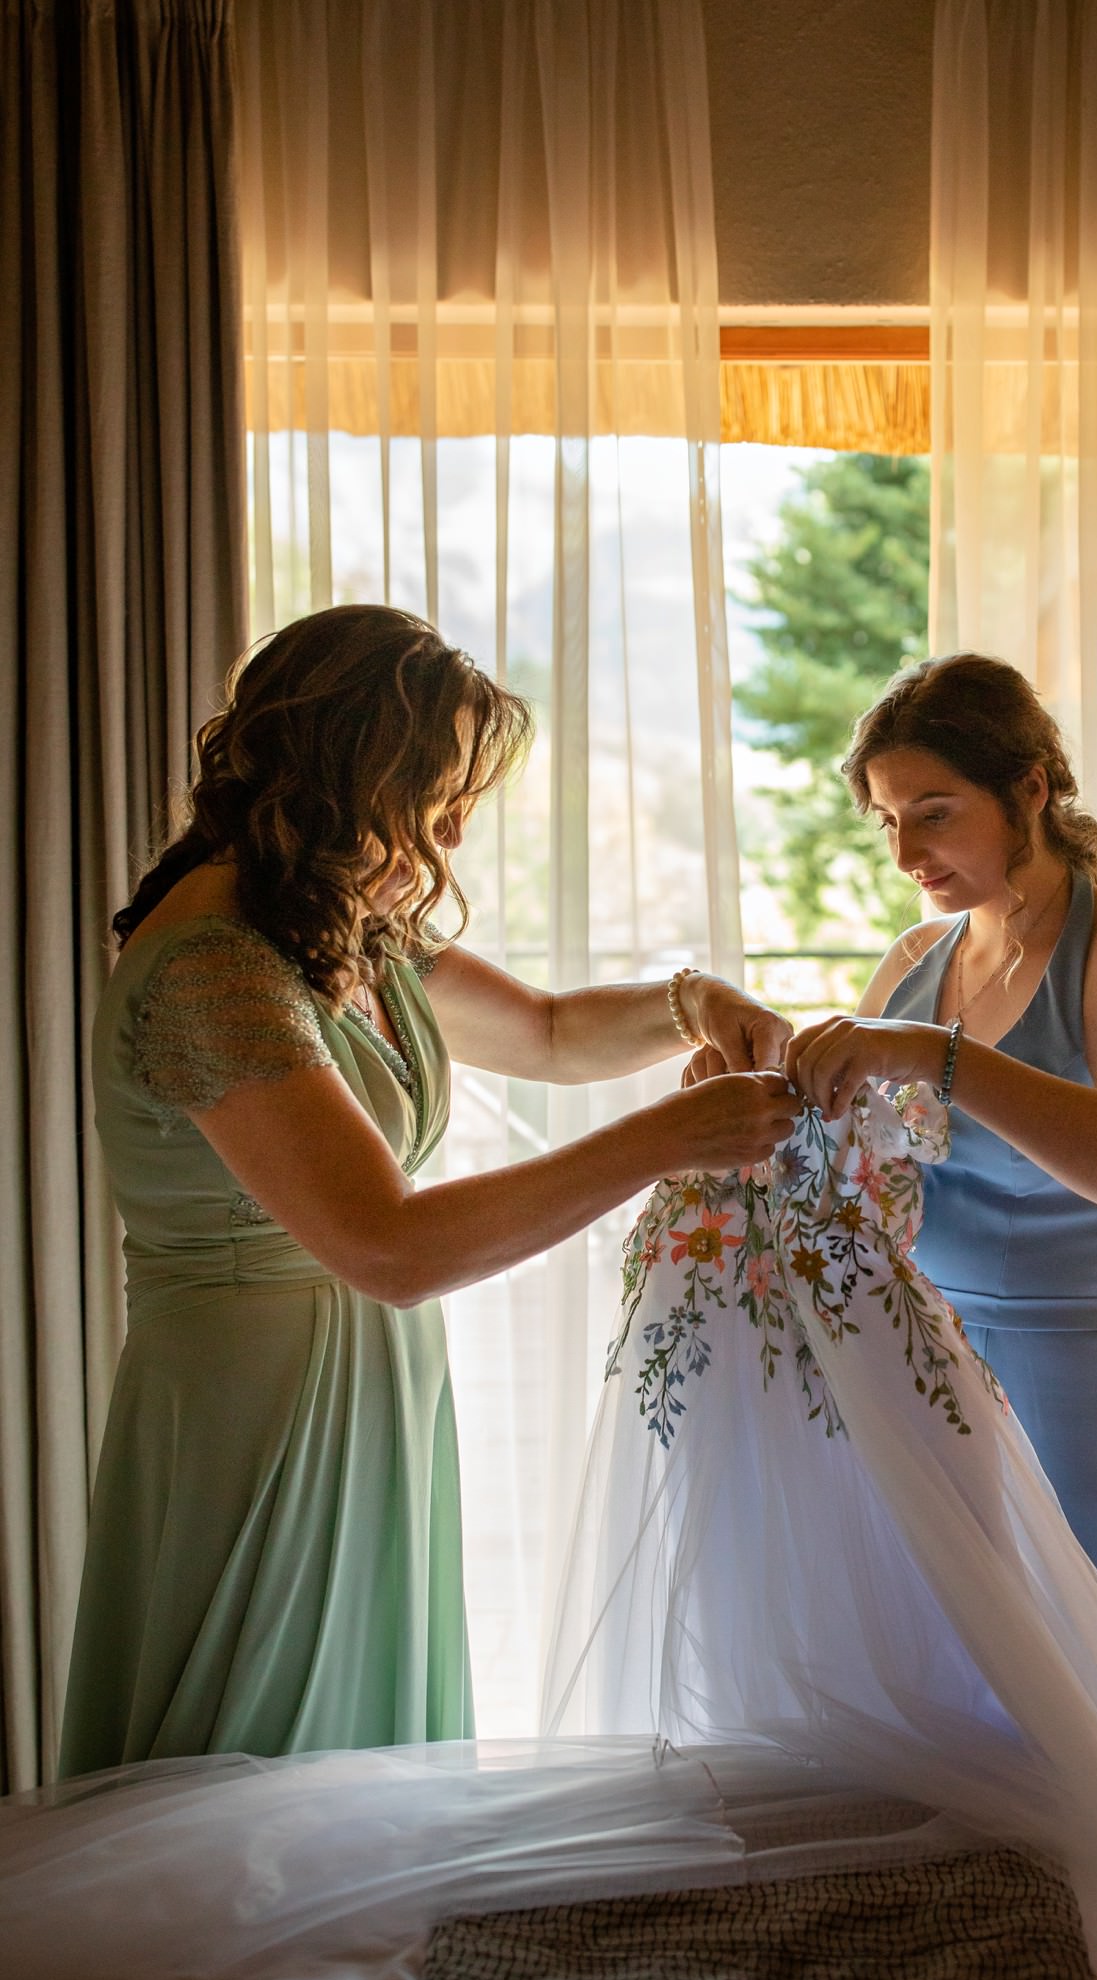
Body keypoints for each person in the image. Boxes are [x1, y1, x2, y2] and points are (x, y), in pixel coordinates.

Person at [57, 604, 796, 1778]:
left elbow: (549, 1033)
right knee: (250, 1792)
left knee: (354, 1782)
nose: (456, 824)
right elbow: (389, 1245)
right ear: (349, 767)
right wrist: (670, 1138)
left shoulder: (335, 919)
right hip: (255, 1421)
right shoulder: (213, 965)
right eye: (437, 786)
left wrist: (694, 1003)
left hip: (369, 1393)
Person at [780, 654, 1097, 1624]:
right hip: (917, 1358)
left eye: (933, 812)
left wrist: (938, 1054)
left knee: (1075, 1654)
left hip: (1067, 1374)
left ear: (1030, 788)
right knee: (924, 1648)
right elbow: (851, 1161)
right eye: (889, 821)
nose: (905, 855)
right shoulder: (914, 960)